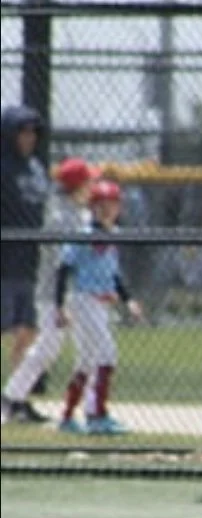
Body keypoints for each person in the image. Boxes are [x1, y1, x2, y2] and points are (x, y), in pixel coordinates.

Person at [1, 156, 99, 425]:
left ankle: (90, 407)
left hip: (80, 292)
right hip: (54, 293)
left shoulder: (82, 213)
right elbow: (60, 264)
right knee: (47, 348)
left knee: (88, 348)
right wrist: (59, 304)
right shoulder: (59, 217)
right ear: (77, 185)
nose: (93, 185)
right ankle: (12, 397)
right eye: (88, 180)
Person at [55, 180, 145, 435]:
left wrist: (128, 299)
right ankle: (97, 415)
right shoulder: (84, 235)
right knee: (106, 355)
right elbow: (63, 269)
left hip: (102, 303)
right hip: (84, 300)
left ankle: (68, 415)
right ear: (92, 207)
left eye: (112, 205)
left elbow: (114, 273)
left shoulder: (113, 233)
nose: (107, 210)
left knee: (86, 361)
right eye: (101, 205)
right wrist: (59, 305)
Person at [0, 105, 51, 422]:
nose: (29, 137)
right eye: (22, 131)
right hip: (3, 262)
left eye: (33, 131)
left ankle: (16, 397)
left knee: (27, 331)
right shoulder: (3, 167)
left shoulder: (34, 167)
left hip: (28, 261)